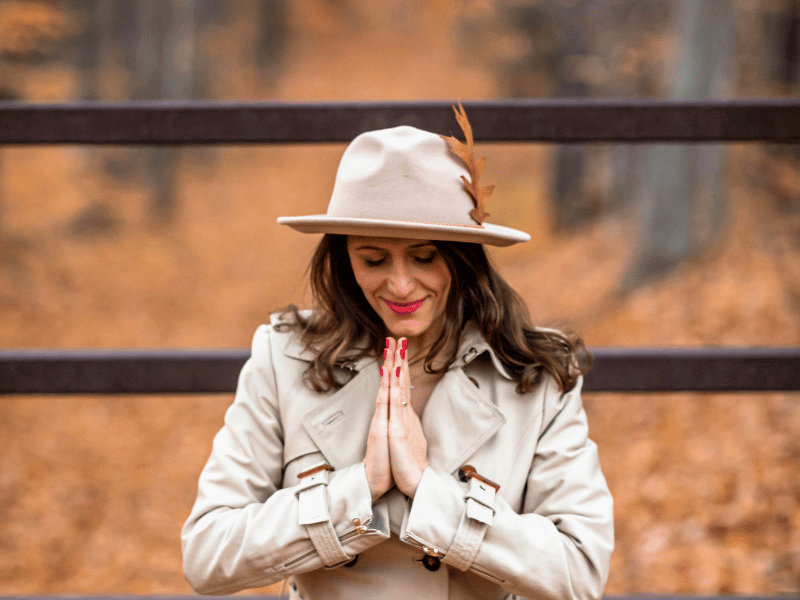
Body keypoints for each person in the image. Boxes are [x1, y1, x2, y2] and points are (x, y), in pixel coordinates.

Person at [181, 107, 614, 600]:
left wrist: (429, 493)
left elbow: (580, 572)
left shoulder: (535, 376)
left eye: (425, 256)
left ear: (463, 257)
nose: (401, 284)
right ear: (344, 257)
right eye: (373, 258)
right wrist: (358, 489)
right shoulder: (285, 360)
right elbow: (207, 554)